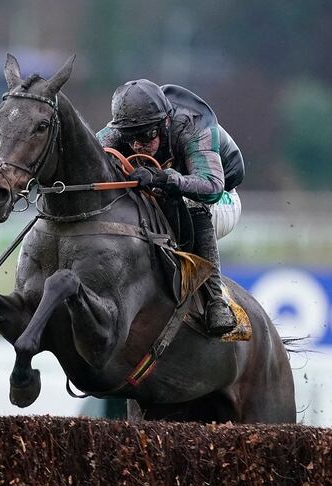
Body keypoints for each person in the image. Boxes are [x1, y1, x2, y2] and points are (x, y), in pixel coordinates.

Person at [97, 79, 244, 336]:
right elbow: (88, 150)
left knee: (189, 201)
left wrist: (163, 177)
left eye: (146, 135)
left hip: (221, 198)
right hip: (172, 192)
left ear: (165, 122)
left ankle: (215, 300)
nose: (137, 145)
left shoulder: (191, 125)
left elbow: (211, 186)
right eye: (130, 138)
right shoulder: (128, 125)